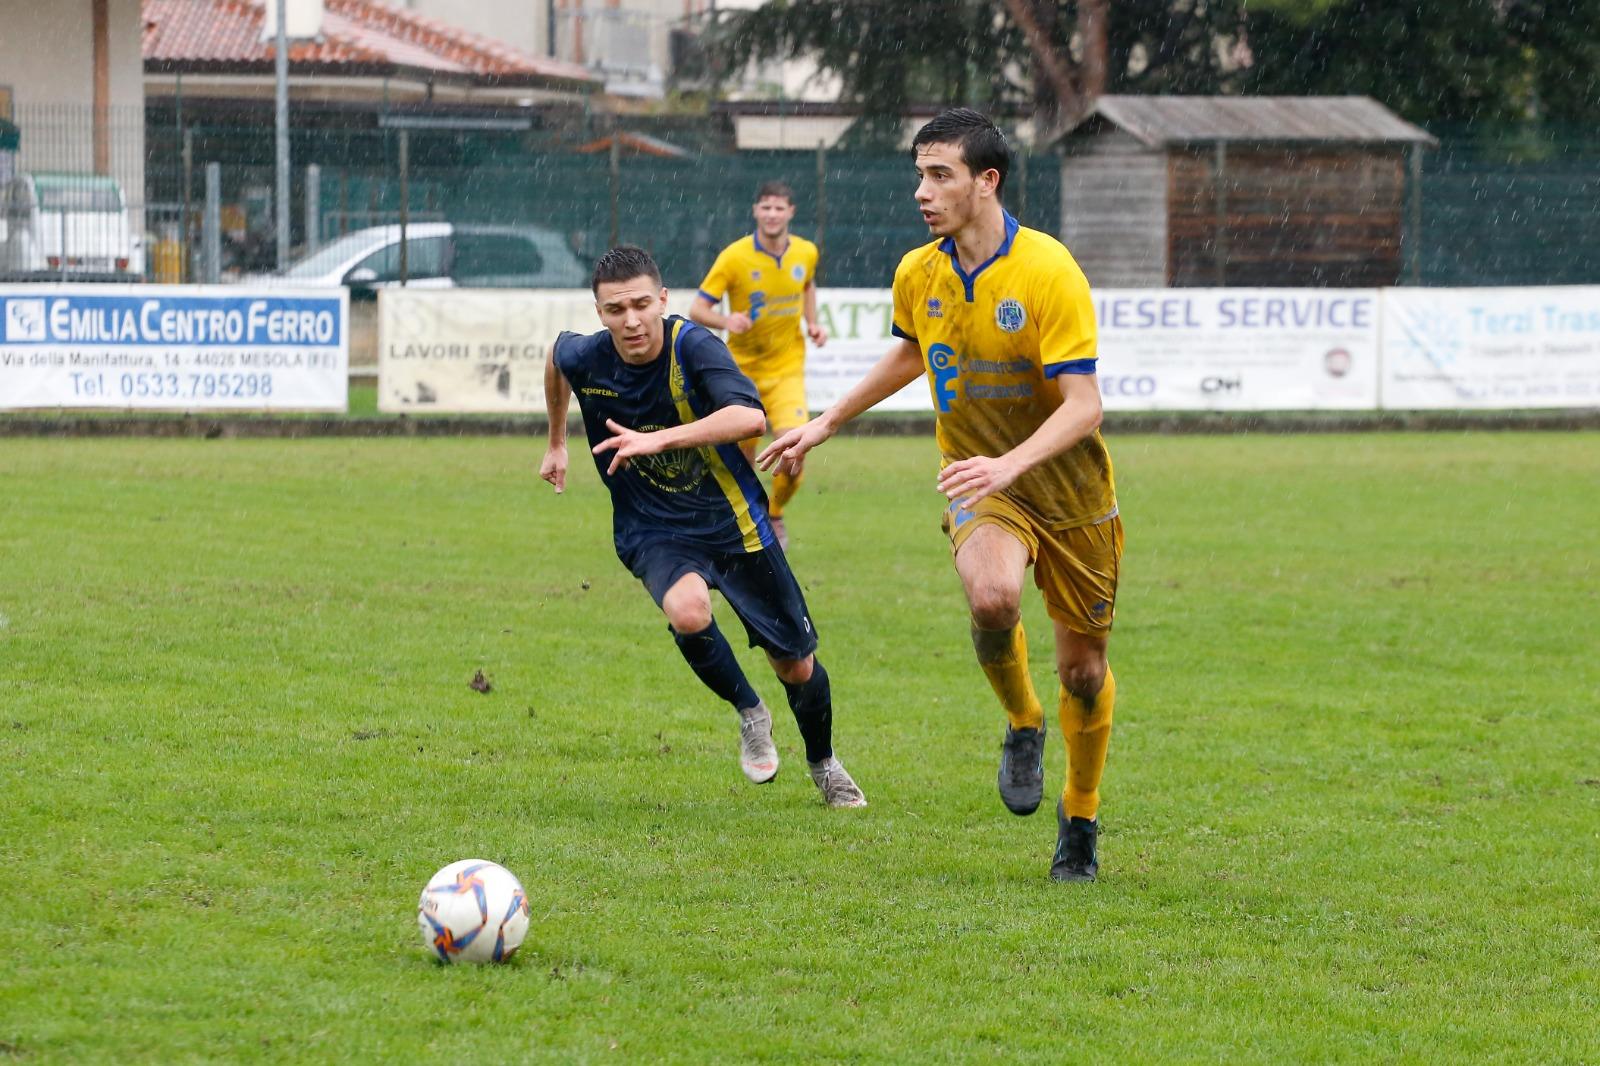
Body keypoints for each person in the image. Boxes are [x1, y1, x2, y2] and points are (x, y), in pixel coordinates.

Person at [759, 109, 1120, 880]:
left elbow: (1085, 406)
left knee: (1084, 672)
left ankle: (1080, 818)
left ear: (987, 181)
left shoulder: (1048, 271)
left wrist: (1009, 463)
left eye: (940, 175)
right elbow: (910, 355)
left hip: (1073, 494)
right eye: (919, 174)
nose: (922, 192)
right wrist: (825, 422)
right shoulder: (919, 271)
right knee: (991, 597)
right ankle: (1024, 723)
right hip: (980, 483)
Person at [540, 245, 866, 809]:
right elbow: (554, 360)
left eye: (642, 304)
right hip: (652, 527)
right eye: (615, 309)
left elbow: (750, 417)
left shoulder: (693, 345)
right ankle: (750, 712)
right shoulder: (586, 355)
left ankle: (824, 763)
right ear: (599, 312)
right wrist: (555, 442)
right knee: (688, 612)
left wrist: (657, 438)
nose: (631, 319)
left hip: (733, 523)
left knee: (795, 663)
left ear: (663, 300)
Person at [690, 181, 828, 550]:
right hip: (741, 374)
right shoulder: (734, 257)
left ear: (791, 212)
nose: (772, 214)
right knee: (742, 462)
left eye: (779, 208)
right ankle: (743, 524)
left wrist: (812, 323)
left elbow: (808, 286)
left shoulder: (806, 252)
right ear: (756, 211)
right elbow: (698, 309)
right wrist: (726, 321)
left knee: (795, 451)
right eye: (765, 207)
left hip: (786, 371)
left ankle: (775, 514)